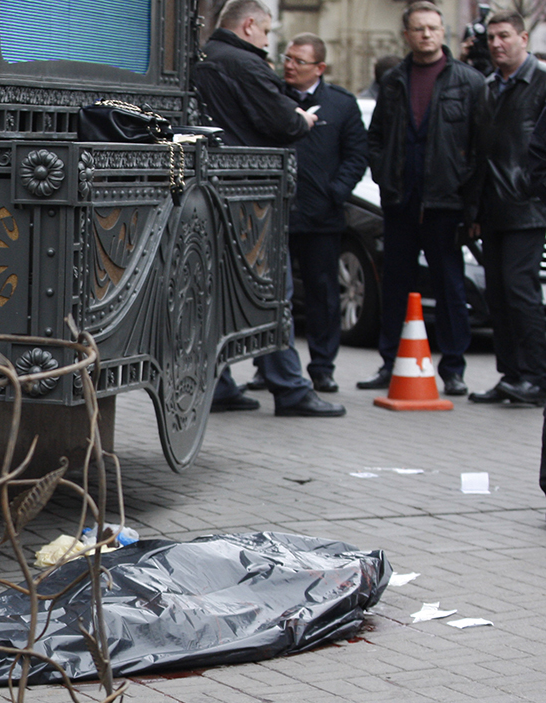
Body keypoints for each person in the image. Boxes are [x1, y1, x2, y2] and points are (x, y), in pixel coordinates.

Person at [191, 0, 346, 417]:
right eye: (266, 31)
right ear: (248, 26)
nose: (267, 41)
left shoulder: (201, 59)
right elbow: (284, 124)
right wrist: (304, 122)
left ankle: (218, 383)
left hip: (208, 192)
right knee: (273, 291)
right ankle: (290, 388)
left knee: (215, 293)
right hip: (252, 197)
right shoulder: (246, 64)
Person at [359, 1, 486, 396]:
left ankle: (453, 368)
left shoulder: (468, 82)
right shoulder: (395, 81)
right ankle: (390, 362)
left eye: (433, 27)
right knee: (396, 284)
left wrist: (471, 204)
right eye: (419, 28)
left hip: (446, 204)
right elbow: (376, 136)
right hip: (401, 201)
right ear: (407, 35)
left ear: (443, 30)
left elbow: (482, 149)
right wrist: (383, 175)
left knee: (450, 285)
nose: (427, 34)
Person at [283, 33, 369, 393]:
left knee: (322, 293)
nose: (289, 66)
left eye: (298, 61)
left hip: (322, 218)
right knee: (275, 295)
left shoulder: (341, 104)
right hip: (279, 214)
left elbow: (356, 155)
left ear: (319, 67)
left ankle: (322, 366)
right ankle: (271, 363)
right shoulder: (274, 100)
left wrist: (336, 193)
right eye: (286, 58)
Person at [467, 12, 546, 407]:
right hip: (494, 209)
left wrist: (536, 192)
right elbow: (484, 154)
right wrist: (476, 210)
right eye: (492, 38)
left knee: (521, 292)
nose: (497, 44)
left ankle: (536, 377)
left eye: (505, 36)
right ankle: (511, 375)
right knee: (497, 295)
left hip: (529, 208)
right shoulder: (487, 87)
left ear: (523, 37)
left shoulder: (542, 82)